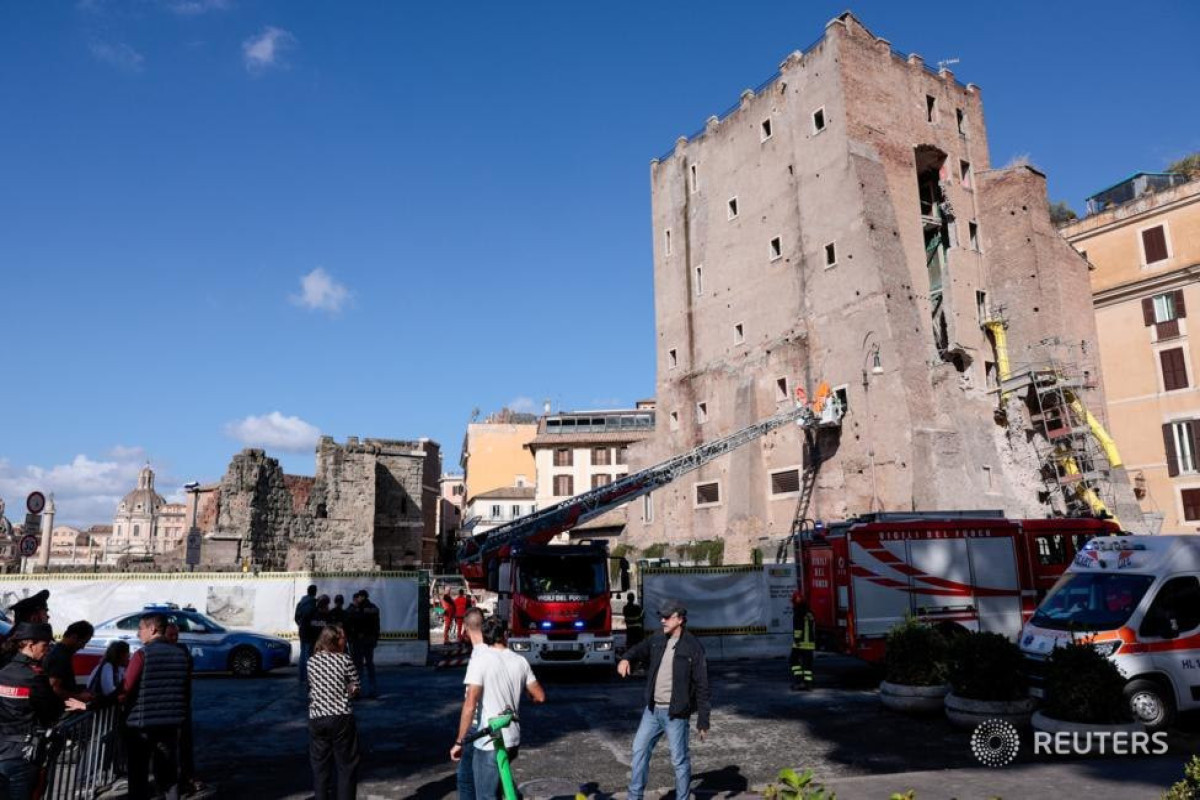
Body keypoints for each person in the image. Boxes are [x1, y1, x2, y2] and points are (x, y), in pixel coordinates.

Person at [617, 602, 711, 800]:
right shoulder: (658, 638)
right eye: (662, 616)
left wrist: (703, 721)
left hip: (676, 714)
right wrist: (626, 659)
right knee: (639, 751)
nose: (662, 620)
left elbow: (703, 685)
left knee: (679, 761)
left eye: (667, 617)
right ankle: (634, 797)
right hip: (652, 711)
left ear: (680, 619)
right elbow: (638, 649)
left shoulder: (693, 647)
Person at [451, 616, 545, 800]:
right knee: (504, 787)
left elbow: (470, 705)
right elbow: (540, 696)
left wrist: (460, 741)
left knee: (486, 796)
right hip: (513, 738)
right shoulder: (520, 661)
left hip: (489, 742)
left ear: (484, 637)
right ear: (506, 634)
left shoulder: (481, 661)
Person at [0, 622, 83, 800]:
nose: (47, 650)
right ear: (30, 645)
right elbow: (51, 711)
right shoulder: (34, 677)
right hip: (25, 753)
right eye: (45, 645)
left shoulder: (3, 673)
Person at [121, 612, 189, 800]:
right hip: (170, 723)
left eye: (140, 628)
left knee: (138, 775)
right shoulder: (181, 654)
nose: (137, 634)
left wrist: (94, 702)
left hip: (141, 725)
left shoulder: (142, 655)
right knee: (168, 774)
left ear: (152, 629)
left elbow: (125, 688)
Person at [307, 623, 361, 800]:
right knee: (346, 766)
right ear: (335, 640)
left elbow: (313, 686)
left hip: (317, 718)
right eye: (343, 638)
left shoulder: (311, 662)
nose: (345, 641)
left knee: (320, 768)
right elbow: (355, 687)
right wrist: (350, 690)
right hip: (340, 717)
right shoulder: (344, 660)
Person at [452, 607, 487, 800]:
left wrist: (460, 740)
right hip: (496, 724)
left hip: (477, 726)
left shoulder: (478, 657)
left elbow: (470, 703)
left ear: (465, 628)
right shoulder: (494, 651)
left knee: (465, 779)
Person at [44, 620, 94, 704]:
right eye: (83, 642)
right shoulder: (60, 656)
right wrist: (79, 697)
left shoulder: (60, 652)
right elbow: (54, 688)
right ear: (74, 637)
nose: (82, 647)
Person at [0, 591, 51, 667]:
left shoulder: (11, 639)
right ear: (34, 618)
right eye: (45, 612)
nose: (48, 616)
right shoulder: (27, 644)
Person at [345, 591, 379, 697]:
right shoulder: (374, 608)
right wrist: (375, 639)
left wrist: (352, 637)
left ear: (362, 597)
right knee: (370, 664)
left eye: (359, 597)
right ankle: (372, 689)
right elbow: (377, 625)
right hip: (370, 640)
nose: (357, 599)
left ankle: (357, 691)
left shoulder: (358, 609)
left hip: (359, 641)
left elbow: (354, 624)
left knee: (358, 667)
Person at [790, 590, 816, 691]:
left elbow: (798, 628)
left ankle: (799, 681)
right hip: (810, 643)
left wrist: (796, 640)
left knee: (793, 660)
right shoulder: (809, 612)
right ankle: (808, 684)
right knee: (808, 664)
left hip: (801, 643)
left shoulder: (799, 612)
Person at [296, 584, 319, 684]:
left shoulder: (300, 603)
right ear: (315, 592)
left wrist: (301, 624)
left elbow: (296, 617)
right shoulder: (314, 603)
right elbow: (315, 619)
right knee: (309, 655)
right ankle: (308, 678)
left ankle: (301, 677)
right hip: (310, 632)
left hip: (302, 631)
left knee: (302, 654)